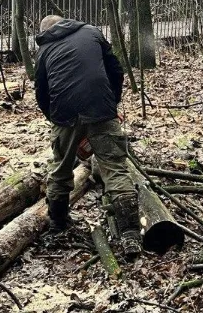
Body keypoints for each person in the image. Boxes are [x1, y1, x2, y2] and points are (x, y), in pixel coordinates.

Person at [34, 15, 142, 258]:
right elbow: (115, 69)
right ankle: (130, 234)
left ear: (46, 31)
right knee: (115, 166)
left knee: (61, 168)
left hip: (65, 111)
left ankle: (58, 223)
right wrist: (110, 102)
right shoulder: (91, 32)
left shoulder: (44, 50)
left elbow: (41, 92)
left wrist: (56, 120)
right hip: (99, 105)